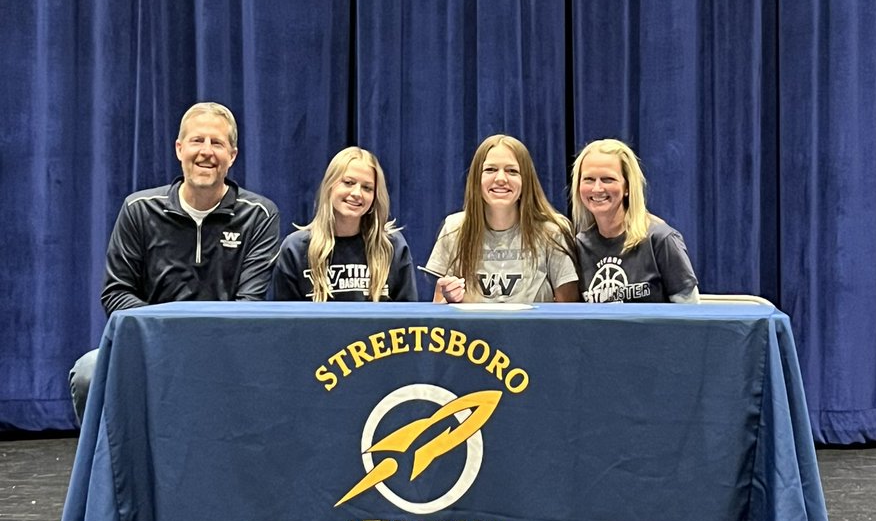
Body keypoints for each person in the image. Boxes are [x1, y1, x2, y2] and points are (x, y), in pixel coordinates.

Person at [69, 102, 281, 424]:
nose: (206, 152)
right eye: (197, 141)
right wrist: (169, 335)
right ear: (179, 148)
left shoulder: (259, 216)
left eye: (217, 143)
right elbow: (116, 294)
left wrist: (194, 341)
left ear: (232, 155)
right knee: (88, 373)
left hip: (225, 356)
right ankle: (109, 473)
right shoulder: (138, 209)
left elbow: (248, 306)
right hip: (149, 350)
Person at [427, 134, 580, 304]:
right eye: (490, 170)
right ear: (476, 179)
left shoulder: (552, 233)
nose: (501, 179)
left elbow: (569, 312)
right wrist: (448, 299)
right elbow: (438, 311)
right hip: (473, 331)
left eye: (512, 171)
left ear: (526, 180)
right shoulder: (454, 229)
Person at [272, 147, 416, 302]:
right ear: (329, 186)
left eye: (367, 188)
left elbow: (408, 319)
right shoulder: (295, 249)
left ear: (375, 197)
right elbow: (285, 321)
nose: (356, 193)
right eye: (348, 183)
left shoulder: (392, 246)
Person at [570, 138, 699, 303]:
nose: (597, 188)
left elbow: (691, 316)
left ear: (627, 187)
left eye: (608, 179)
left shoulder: (660, 239)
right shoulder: (579, 245)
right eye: (589, 179)